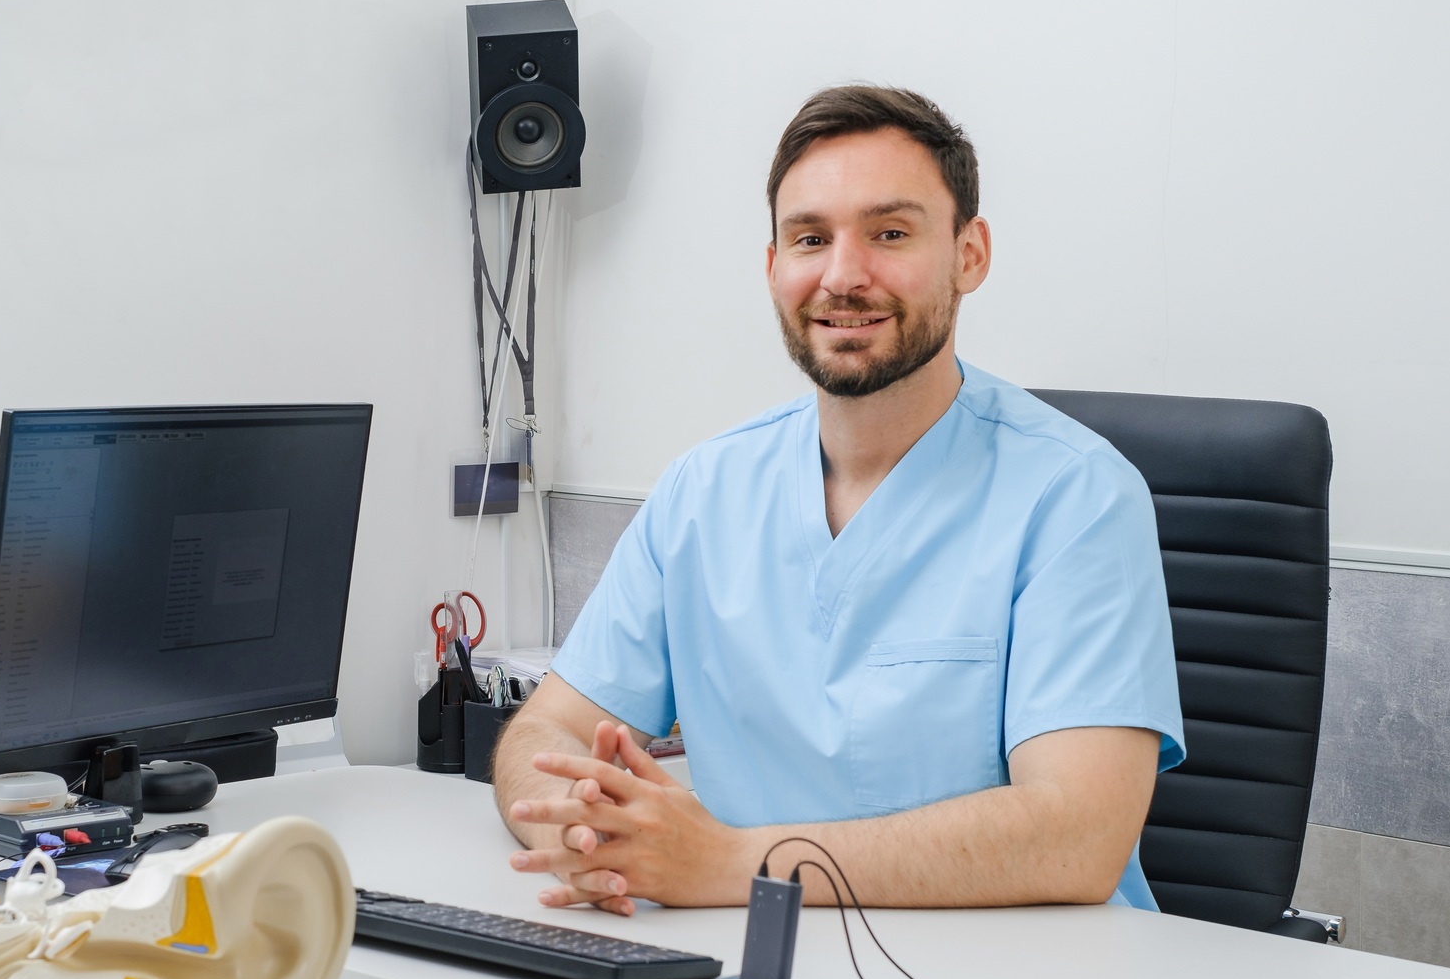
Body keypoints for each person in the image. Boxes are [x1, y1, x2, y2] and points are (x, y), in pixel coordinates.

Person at [490, 85, 1183, 916]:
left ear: (970, 253)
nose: (844, 276)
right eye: (810, 238)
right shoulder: (702, 494)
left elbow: (1077, 834)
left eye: (890, 234)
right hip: (754, 975)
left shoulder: (1076, 496)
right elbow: (544, 731)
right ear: (773, 265)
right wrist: (583, 836)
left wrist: (734, 866)